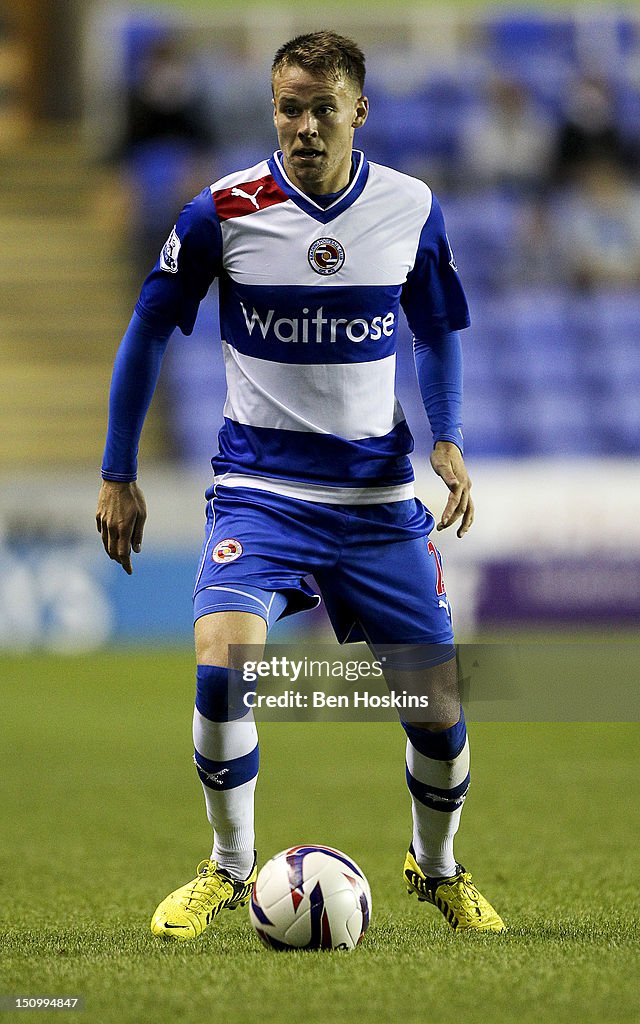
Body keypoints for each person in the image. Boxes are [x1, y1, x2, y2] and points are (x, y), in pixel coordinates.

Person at [96, 30, 504, 939]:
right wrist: (119, 469)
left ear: (360, 111)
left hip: (375, 503)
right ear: (272, 107)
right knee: (220, 665)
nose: (305, 126)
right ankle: (229, 867)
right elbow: (148, 329)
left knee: (438, 713)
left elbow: (438, 330)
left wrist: (450, 442)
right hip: (261, 493)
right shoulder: (221, 210)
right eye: (290, 106)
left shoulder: (410, 206)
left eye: (324, 108)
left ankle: (436, 868)